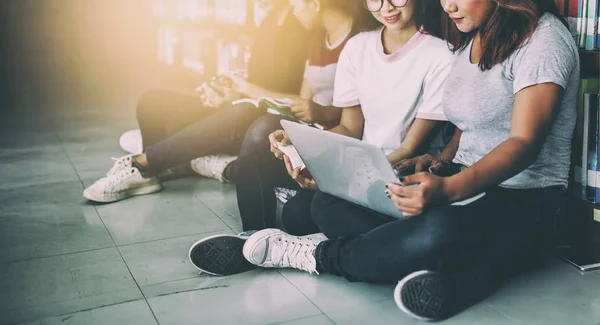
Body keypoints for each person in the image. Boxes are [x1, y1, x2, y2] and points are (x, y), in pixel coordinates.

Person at [187, 0, 580, 321]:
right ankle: (440, 266)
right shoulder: (470, 34)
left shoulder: (544, 40)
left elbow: (524, 141)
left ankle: (310, 254)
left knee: (436, 232)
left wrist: (450, 189)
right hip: (463, 184)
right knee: (330, 202)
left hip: (526, 199)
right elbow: (468, 123)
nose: (448, 5)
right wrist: (439, 161)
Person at [187, 0, 454, 279]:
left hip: (395, 173)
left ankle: (311, 247)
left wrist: (344, 175)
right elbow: (349, 129)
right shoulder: (358, 47)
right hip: (356, 165)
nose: (387, 7)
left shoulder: (440, 55)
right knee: (263, 174)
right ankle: (254, 237)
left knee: (317, 209)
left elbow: (408, 148)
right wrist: (301, 148)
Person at [82, 0, 327, 203]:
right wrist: (224, 88)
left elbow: (296, 99)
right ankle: (157, 170)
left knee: (239, 113)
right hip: (242, 100)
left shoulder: (307, 23)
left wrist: (245, 91)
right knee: (153, 101)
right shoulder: (270, 17)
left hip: (263, 114)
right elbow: (255, 73)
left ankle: (143, 164)